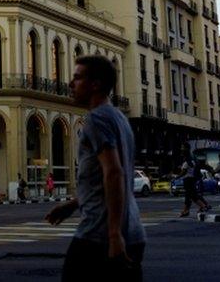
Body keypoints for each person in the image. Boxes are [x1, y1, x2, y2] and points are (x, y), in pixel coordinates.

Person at [45, 55, 146, 281]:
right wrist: (73, 204)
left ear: (96, 84)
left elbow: (114, 172)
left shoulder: (96, 119)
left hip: (98, 236)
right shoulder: (120, 119)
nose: (71, 84)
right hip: (134, 233)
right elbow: (106, 180)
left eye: (78, 78)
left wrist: (113, 234)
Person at [178, 146, 210, 217]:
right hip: (192, 179)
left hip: (187, 180)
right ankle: (186, 211)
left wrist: (177, 177)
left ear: (184, 155)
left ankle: (203, 206)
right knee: (189, 195)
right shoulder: (193, 161)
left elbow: (183, 172)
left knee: (192, 195)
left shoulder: (186, 163)